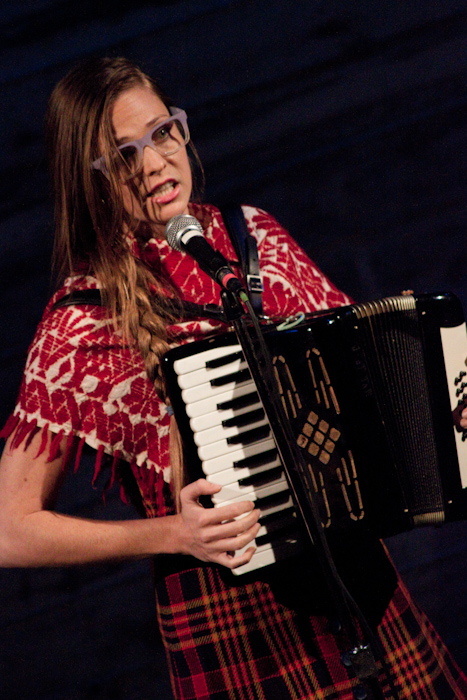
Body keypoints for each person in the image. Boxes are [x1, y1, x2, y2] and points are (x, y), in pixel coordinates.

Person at [0, 56, 465, 700]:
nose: (155, 162)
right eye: (125, 155)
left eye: (163, 132)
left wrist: (436, 388)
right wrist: (173, 534)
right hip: (231, 623)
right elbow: (11, 528)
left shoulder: (254, 238)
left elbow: (362, 376)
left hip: (358, 585)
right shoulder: (82, 323)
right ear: (91, 182)